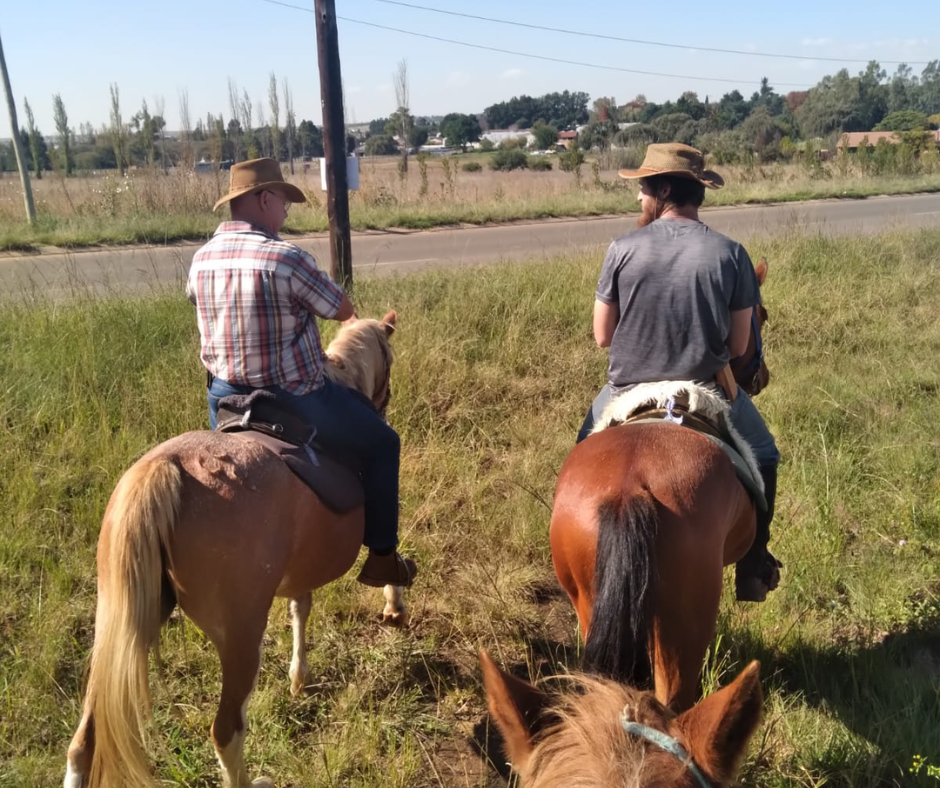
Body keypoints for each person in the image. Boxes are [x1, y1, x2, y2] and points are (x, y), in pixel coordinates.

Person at [186, 157, 417, 589]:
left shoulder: (201, 259)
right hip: (296, 398)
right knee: (384, 443)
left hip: (224, 398)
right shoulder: (285, 257)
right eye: (284, 202)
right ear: (264, 198)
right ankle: (382, 555)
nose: (286, 212)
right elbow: (342, 310)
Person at [576, 143, 781, 603]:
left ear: (664, 189)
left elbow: (602, 335)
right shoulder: (732, 254)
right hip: (705, 390)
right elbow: (739, 347)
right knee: (765, 457)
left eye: (644, 188)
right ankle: (752, 565)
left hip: (625, 390)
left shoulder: (621, 248)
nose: (639, 198)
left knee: (581, 457)